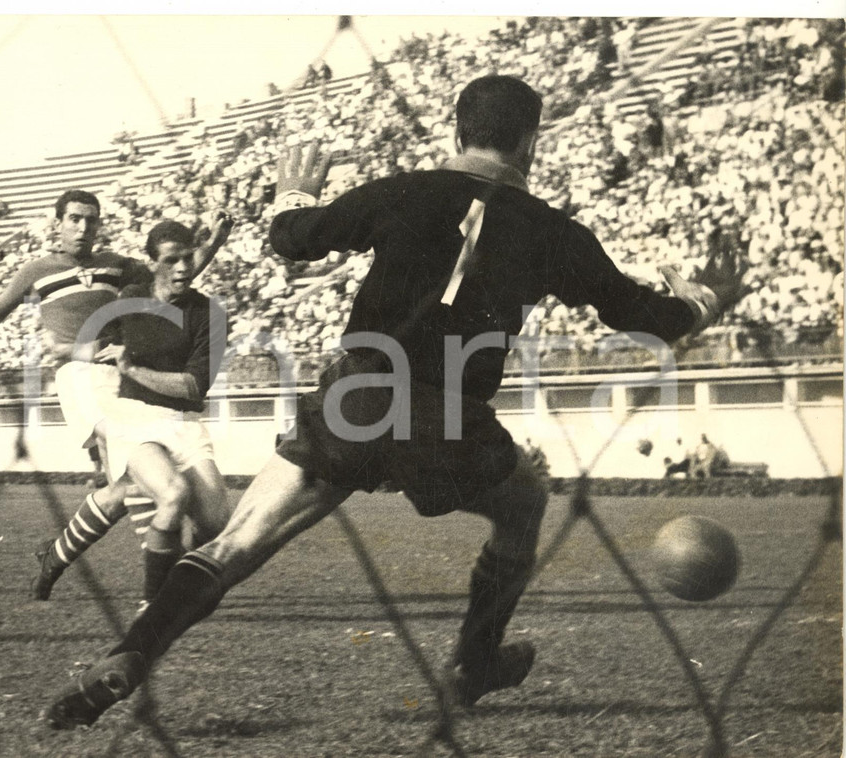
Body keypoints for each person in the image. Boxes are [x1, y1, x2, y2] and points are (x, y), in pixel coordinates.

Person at [44, 75, 746, 729]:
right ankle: (473, 663)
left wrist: (291, 194)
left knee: (237, 542)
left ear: (455, 133)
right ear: (534, 141)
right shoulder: (553, 232)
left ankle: (132, 652)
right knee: (524, 505)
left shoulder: (406, 191)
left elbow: (294, 238)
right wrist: (705, 296)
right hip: (447, 412)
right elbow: (645, 316)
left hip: (356, 392)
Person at [0, 189, 231, 600]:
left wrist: (214, 241)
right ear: (57, 222)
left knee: (131, 486)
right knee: (151, 483)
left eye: (91, 220)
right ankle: (160, 588)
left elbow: (172, 275)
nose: (83, 227)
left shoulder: (118, 266)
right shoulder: (37, 270)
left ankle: (58, 555)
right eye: (75, 218)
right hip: (81, 377)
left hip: (121, 371)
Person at [92, 219, 233, 610]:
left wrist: (133, 369)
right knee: (173, 495)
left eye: (190, 258)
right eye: (172, 260)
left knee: (217, 525)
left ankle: (175, 576)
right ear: (151, 264)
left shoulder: (210, 314)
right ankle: (153, 602)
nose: (184, 268)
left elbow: (192, 386)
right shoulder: (130, 297)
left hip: (183, 421)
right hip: (134, 417)